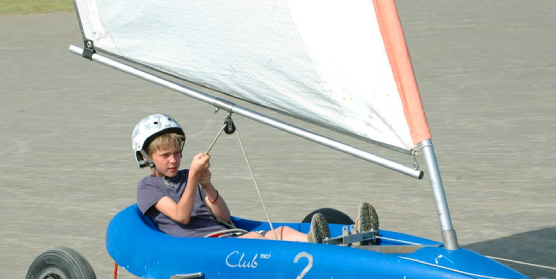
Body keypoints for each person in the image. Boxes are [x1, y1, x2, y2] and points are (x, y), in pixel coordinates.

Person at [133, 114, 377, 242]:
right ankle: (320, 244)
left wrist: (206, 186)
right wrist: (195, 178)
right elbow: (181, 217)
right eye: (165, 155)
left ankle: (338, 238)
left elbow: (224, 216)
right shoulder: (147, 186)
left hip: (224, 234)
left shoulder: (189, 176)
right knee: (252, 238)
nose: (173, 160)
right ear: (146, 157)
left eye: (176, 153)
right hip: (200, 244)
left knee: (280, 231)